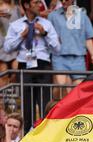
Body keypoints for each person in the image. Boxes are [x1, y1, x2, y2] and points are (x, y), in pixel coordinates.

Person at [3, 0, 60, 132]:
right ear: (27, 5)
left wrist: (44, 33)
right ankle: (27, 137)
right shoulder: (15, 25)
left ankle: (47, 135)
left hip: (43, 65)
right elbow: (7, 48)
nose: (39, 5)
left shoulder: (46, 23)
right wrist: (21, 36)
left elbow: (57, 48)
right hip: (25, 65)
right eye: (35, 2)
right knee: (27, 105)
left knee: (45, 103)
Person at [48, 0, 93, 93]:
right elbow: (46, 36)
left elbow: (88, 37)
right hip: (59, 57)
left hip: (78, 58)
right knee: (61, 87)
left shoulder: (82, 16)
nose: (63, 1)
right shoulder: (53, 16)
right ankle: (56, 107)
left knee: (78, 90)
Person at [0, 0, 20, 88]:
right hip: (1, 45)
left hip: (15, 44)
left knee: (16, 71)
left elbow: (22, 22)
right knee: (3, 72)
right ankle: (3, 99)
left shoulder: (16, 7)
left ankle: (14, 97)